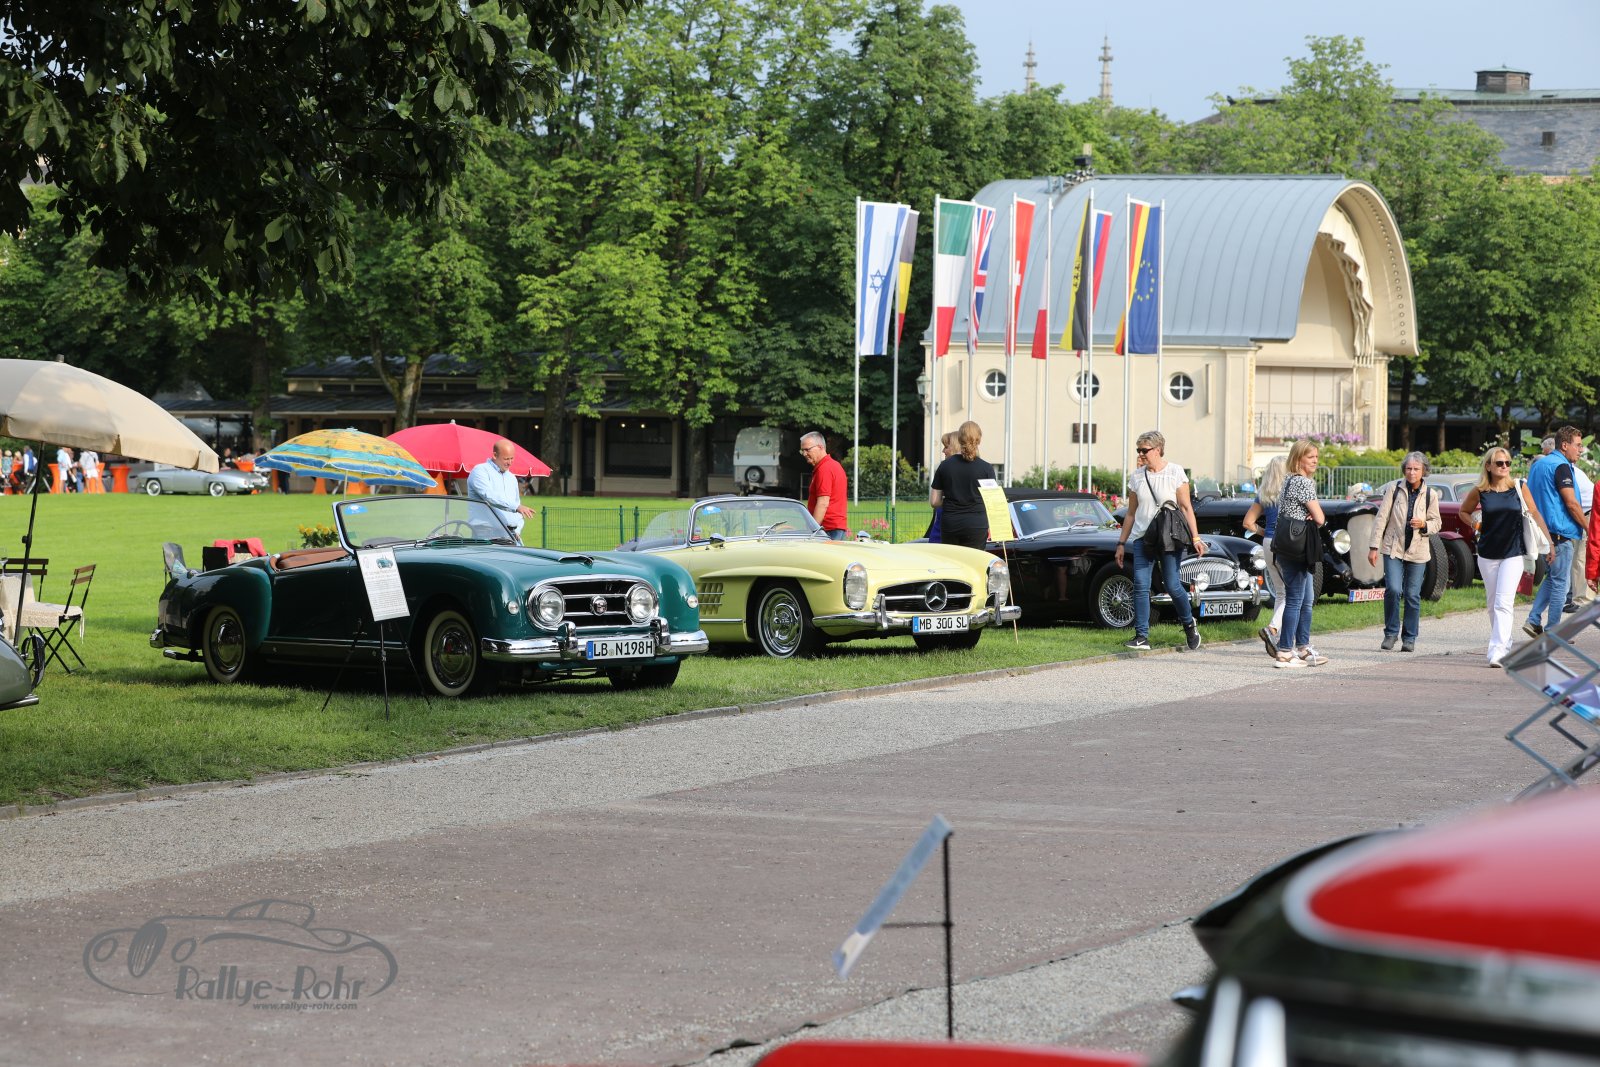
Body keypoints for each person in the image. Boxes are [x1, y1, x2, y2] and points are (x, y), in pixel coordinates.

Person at [1114, 429, 1205, 653]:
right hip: (1142, 539)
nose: (1140, 454)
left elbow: (1186, 508)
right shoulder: (1137, 477)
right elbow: (1131, 513)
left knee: (1172, 585)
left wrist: (1195, 537)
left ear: (1158, 449)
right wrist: (1121, 543)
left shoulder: (1175, 472)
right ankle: (1141, 636)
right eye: (1138, 450)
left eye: (1144, 450)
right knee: (1140, 586)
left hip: (1168, 538)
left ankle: (1189, 624)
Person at [1462, 446, 1553, 667]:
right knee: (1493, 603)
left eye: (1508, 463)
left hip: (1514, 552)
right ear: (1488, 466)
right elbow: (1463, 511)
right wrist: (1475, 524)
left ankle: (1498, 652)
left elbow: (1535, 513)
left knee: (1504, 603)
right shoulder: (1480, 491)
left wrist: (1549, 543)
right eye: (1499, 463)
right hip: (1487, 553)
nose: (1505, 467)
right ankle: (1504, 641)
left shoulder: (1519, 487)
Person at [1368, 452, 1442, 652]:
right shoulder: (1394, 489)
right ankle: (1391, 633)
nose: (1412, 472)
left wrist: (1424, 524)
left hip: (1418, 551)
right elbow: (1381, 518)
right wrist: (1374, 547)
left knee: (1412, 594)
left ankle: (1409, 638)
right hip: (1393, 548)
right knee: (1393, 589)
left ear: (1424, 471)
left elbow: (1437, 523)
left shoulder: (1431, 495)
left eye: (1416, 469)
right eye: (1409, 468)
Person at [1523, 426, 1587, 638]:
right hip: (1559, 533)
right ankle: (1553, 632)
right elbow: (1571, 503)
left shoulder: (1539, 464)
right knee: (1561, 583)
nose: (1581, 450)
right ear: (1565, 445)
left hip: (1542, 532)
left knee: (1552, 578)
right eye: (1578, 445)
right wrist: (1590, 528)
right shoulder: (1561, 466)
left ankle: (1533, 620)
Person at [1271, 438, 1329, 668]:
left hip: (1287, 546)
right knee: (1295, 599)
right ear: (1298, 459)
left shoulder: (1288, 480)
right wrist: (1313, 515)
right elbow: (1320, 518)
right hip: (1298, 548)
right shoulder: (1303, 483)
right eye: (1310, 457)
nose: (1315, 461)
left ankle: (1303, 647)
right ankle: (1285, 651)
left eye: (1316, 456)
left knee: (1306, 599)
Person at [1243, 457, 1288, 658]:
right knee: (1293, 593)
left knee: (1281, 592)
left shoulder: (1264, 494)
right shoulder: (1289, 492)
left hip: (1268, 543)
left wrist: (1264, 532)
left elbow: (1248, 523)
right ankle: (1273, 629)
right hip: (1286, 544)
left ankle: (1277, 636)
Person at [929, 421, 996, 551]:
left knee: (952, 559)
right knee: (975, 560)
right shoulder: (986, 468)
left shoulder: (945, 465)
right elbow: (992, 502)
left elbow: (934, 501)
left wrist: (951, 502)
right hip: (977, 525)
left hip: (951, 523)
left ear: (959, 439)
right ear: (979, 440)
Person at [466, 439, 534, 541]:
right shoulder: (480, 471)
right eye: (506, 459)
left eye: (512, 458)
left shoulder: (511, 477)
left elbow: (517, 505)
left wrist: (518, 529)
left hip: (511, 534)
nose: (510, 462)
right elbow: (489, 496)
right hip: (487, 534)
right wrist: (516, 507)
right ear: (494, 455)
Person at [801, 431, 848, 540]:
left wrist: (813, 531)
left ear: (820, 447)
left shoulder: (825, 469)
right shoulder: (833, 465)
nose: (804, 454)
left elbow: (823, 503)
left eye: (807, 449)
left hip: (827, 530)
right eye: (802, 450)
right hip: (834, 528)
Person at [1567, 451, 1594, 612]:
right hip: (1584, 514)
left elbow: (1571, 503)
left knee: (1581, 558)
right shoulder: (1567, 469)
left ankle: (1584, 602)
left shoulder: (1566, 471)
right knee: (1579, 557)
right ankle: (1579, 598)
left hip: (1590, 513)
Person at [922, 432, 959, 542]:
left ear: (955, 447)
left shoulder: (944, 468)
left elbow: (934, 501)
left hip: (942, 533)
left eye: (946, 447)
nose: (943, 451)